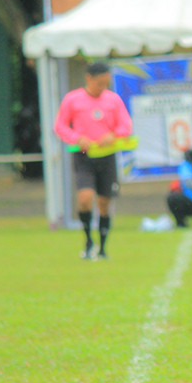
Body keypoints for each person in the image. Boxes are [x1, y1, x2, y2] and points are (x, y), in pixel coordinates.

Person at [53, 61, 132, 260]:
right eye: (99, 83)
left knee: (104, 203)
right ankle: (88, 242)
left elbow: (126, 126)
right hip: (84, 157)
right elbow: (60, 126)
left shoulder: (113, 100)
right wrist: (77, 138)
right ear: (89, 78)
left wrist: (113, 135)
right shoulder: (73, 100)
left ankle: (103, 248)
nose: (102, 87)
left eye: (106, 83)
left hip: (106, 156)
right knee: (85, 198)